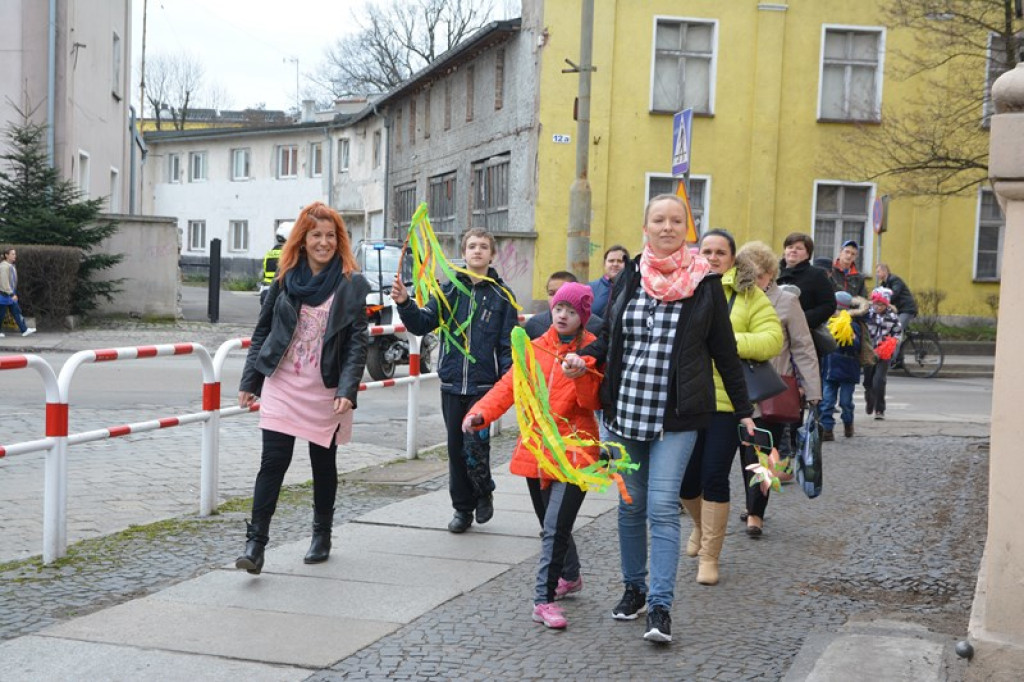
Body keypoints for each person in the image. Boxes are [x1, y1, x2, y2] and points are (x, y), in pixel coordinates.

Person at [564, 195, 756, 644]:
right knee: (631, 507)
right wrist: (582, 358)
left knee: (663, 507)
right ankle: (634, 589)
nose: (667, 227)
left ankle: (661, 609)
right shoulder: (629, 274)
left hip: (678, 417)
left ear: (686, 227)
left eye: (676, 220)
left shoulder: (705, 282)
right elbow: (609, 335)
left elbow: (725, 353)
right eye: (658, 220)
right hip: (623, 411)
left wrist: (745, 412)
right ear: (645, 226)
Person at [236, 202, 370, 575]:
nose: (323, 242)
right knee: (272, 463)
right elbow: (262, 331)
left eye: (330, 236)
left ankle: (321, 534)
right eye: (316, 235)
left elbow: (358, 342)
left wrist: (348, 388)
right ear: (303, 239)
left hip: (326, 389)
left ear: (339, 240)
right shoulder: (285, 279)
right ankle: (256, 544)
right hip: (282, 383)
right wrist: (251, 380)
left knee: (322, 464)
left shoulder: (350, 283)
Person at [463, 282, 601, 630]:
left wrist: (581, 373)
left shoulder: (594, 351)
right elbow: (509, 386)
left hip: (575, 450)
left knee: (554, 527)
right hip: (537, 449)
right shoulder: (534, 347)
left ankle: (543, 599)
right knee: (550, 523)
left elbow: (593, 401)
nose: (563, 315)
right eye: (558, 309)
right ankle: (570, 575)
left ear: (583, 317)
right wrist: (481, 413)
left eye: (571, 311)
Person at [391, 228, 518, 533]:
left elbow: (506, 346)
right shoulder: (448, 292)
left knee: (475, 443)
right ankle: (462, 509)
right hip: (451, 384)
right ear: (464, 252)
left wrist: (508, 383)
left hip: (484, 387)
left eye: (484, 246)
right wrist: (405, 302)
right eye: (472, 245)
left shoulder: (503, 297)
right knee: (455, 448)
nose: (477, 251)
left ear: (492, 254)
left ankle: (484, 490)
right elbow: (422, 324)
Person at [680, 230, 782, 572]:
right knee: (685, 479)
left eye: (720, 252)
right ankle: (699, 526)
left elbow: (772, 339)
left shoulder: (748, 293)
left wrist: (727, 341)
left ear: (732, 257)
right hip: (687, 399)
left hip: (726, 402)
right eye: (706, 250)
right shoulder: (683, 286)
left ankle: (710, 557)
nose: (712, 257)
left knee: (713, 476)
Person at [733, 241, 820, 535]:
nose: (754, 280)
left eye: (759, 275)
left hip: (769, 390)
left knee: (759, 453)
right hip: (731, 388)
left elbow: (803, 348)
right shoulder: (732, 297)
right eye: (748, 273)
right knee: (735, 454)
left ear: (771, 274)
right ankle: (741, 503)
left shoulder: (786, 301)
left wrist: (813, 391)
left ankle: (755, 511)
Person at [818, 291, 869, 441]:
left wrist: (851, 339)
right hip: (830, 369)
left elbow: (856, 347)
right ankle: (827, 429)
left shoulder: (853, 325)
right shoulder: (826, 323)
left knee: (846, 402)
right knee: (827, 401)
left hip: (847, 369)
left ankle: (848, 423)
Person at [776, 233, 837, 331]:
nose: (793, 250)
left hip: (803, 332)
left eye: (799, 248)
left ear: (808, 254)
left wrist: (802, 319)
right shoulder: (772, 273)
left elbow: (828, 305)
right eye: (790, 247)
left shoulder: (816, 275)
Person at [525, 271, 603, 340]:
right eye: (551, 293)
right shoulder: (535, 324)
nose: (556, 297)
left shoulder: (596, 326)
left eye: (561, 292)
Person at [863, 287, 902, 420]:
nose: (878, 307)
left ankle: (879, 409)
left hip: (884, 352)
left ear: (886, 304)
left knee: (879, 381)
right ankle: (870, 399)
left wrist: (892, 342)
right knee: (868, 382)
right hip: (869, 351)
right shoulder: (867, 314)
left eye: (881, 304)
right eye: (876, 304)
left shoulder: (892, 316)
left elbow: (897, 333)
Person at [876, 263, 917, 343]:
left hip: (906, 309)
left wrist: (883, 301)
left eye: (878, 272)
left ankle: (893, 354)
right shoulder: (884, 284)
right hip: (898, 310)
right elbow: (880, 296)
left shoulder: (894, 280)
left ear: (885, 271)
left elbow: (894, 293)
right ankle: (899, 355)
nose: (877, 274)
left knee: (896, 332)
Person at [0, 248, 36, 337]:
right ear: (6, 255)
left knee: (17, 312)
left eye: (15, 254)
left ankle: (24, 330)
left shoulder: (11, 265)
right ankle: (24, 330)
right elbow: (4, 282)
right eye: (12, 254)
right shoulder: (3, 267)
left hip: (10, 294)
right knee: (1, 314)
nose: (15, 256)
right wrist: (11, 294)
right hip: (4, 295)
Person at [589, 245, 629, 317]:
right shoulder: (590, 288)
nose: (615, 264)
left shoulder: (632, 288)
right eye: (611, 261)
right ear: (604, 264)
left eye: (620, 261)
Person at [259, 232, 287, 306]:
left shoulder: (268, 253)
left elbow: (264, 269)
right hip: (279, 289)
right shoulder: (287, 254)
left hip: (266, 288)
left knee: (265, 315)